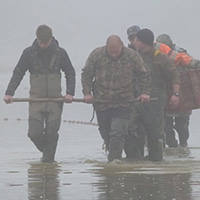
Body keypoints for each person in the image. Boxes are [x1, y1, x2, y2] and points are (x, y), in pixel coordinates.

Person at [3, 25, 76, 163]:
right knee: (34, 134)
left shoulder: (61, 53)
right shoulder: (28, 53)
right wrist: (9, 93)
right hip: (36, 100)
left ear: (51, 39)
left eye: (45, 42)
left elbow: (70, 73)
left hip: (55, 101)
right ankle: (48, 155)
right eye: (40, 42)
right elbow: (18, 73)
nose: (42, 45)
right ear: (37, 38)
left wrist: (70, 93)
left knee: (51, 133)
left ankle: (49, 166)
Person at [81, 35, 151, 162]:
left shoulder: (132, 55)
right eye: (111, 52)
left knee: (117, 132)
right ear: (106, 47)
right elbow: (86, 75)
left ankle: (114, 162)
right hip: (102, 101)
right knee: (106, 133)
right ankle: (132, 156)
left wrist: (145, 92)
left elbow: (144, 75)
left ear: (122, 46)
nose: (114, 55)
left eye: (117, 52)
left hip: (124, 100)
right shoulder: (96, 55)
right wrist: (87, 93)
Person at [126, 29, 180, 161]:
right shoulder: (133, 57)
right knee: (128, 128)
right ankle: (135, 158)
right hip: (135, 99)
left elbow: (174, 76)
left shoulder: (161, 58)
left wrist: (176, 94)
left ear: (143, 42)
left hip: (155, 100)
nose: (134, 43)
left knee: (154, 133)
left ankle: (155, 161)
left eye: (137, 40)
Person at [156, 34, 193, 147]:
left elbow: (191, 68)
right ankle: (172, 148)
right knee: (166, 126)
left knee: (182, 125)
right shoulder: (154, 55)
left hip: (182, 94)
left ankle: (183, 146)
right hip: (164, 94)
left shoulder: (181, 54)